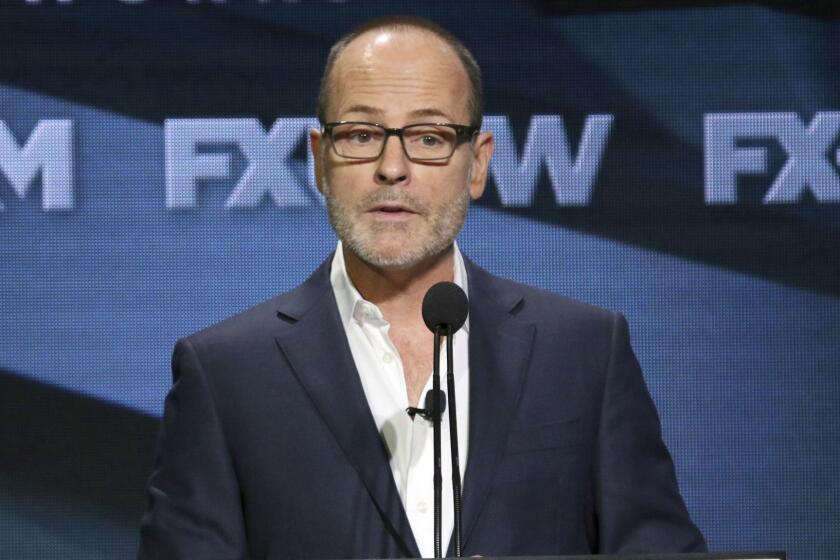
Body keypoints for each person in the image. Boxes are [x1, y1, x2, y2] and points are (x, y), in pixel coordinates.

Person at [139, 16, 706, 559]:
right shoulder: (225, 373)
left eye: (429, 137)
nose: (392, 167)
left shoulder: (584, 351)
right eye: (361, 134)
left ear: (477, 163)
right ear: (319, 160)